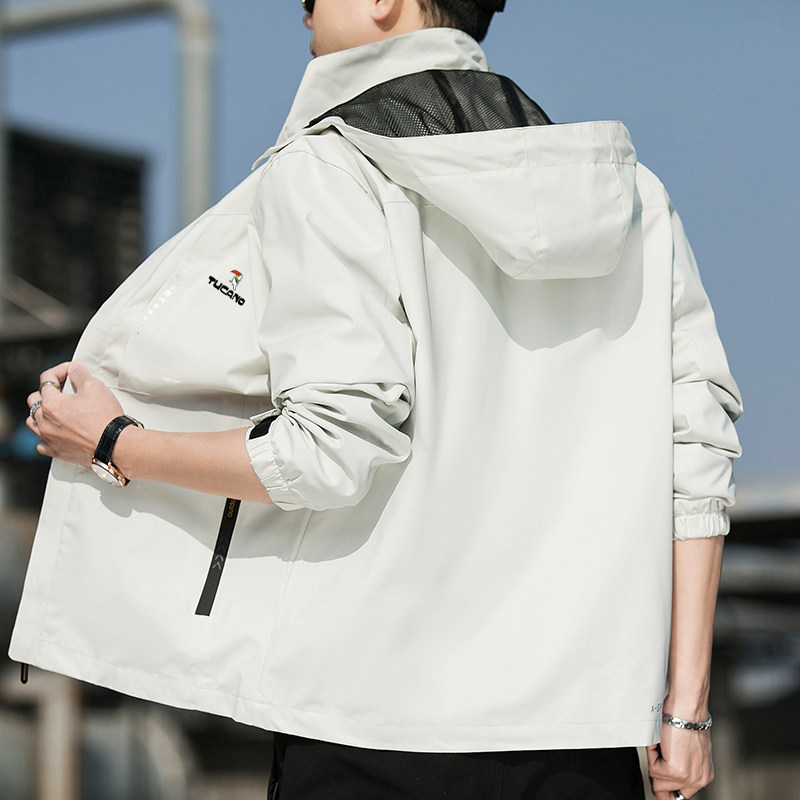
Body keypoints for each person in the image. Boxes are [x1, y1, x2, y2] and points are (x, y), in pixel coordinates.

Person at [12, 1, 742, 798]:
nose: (302, 13)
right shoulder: (632, 199)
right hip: (578, 740)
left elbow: (326, 453)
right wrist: (687, 711)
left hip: (369, 727)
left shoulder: (334, 168)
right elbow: (695, 463)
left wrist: (113, 440)